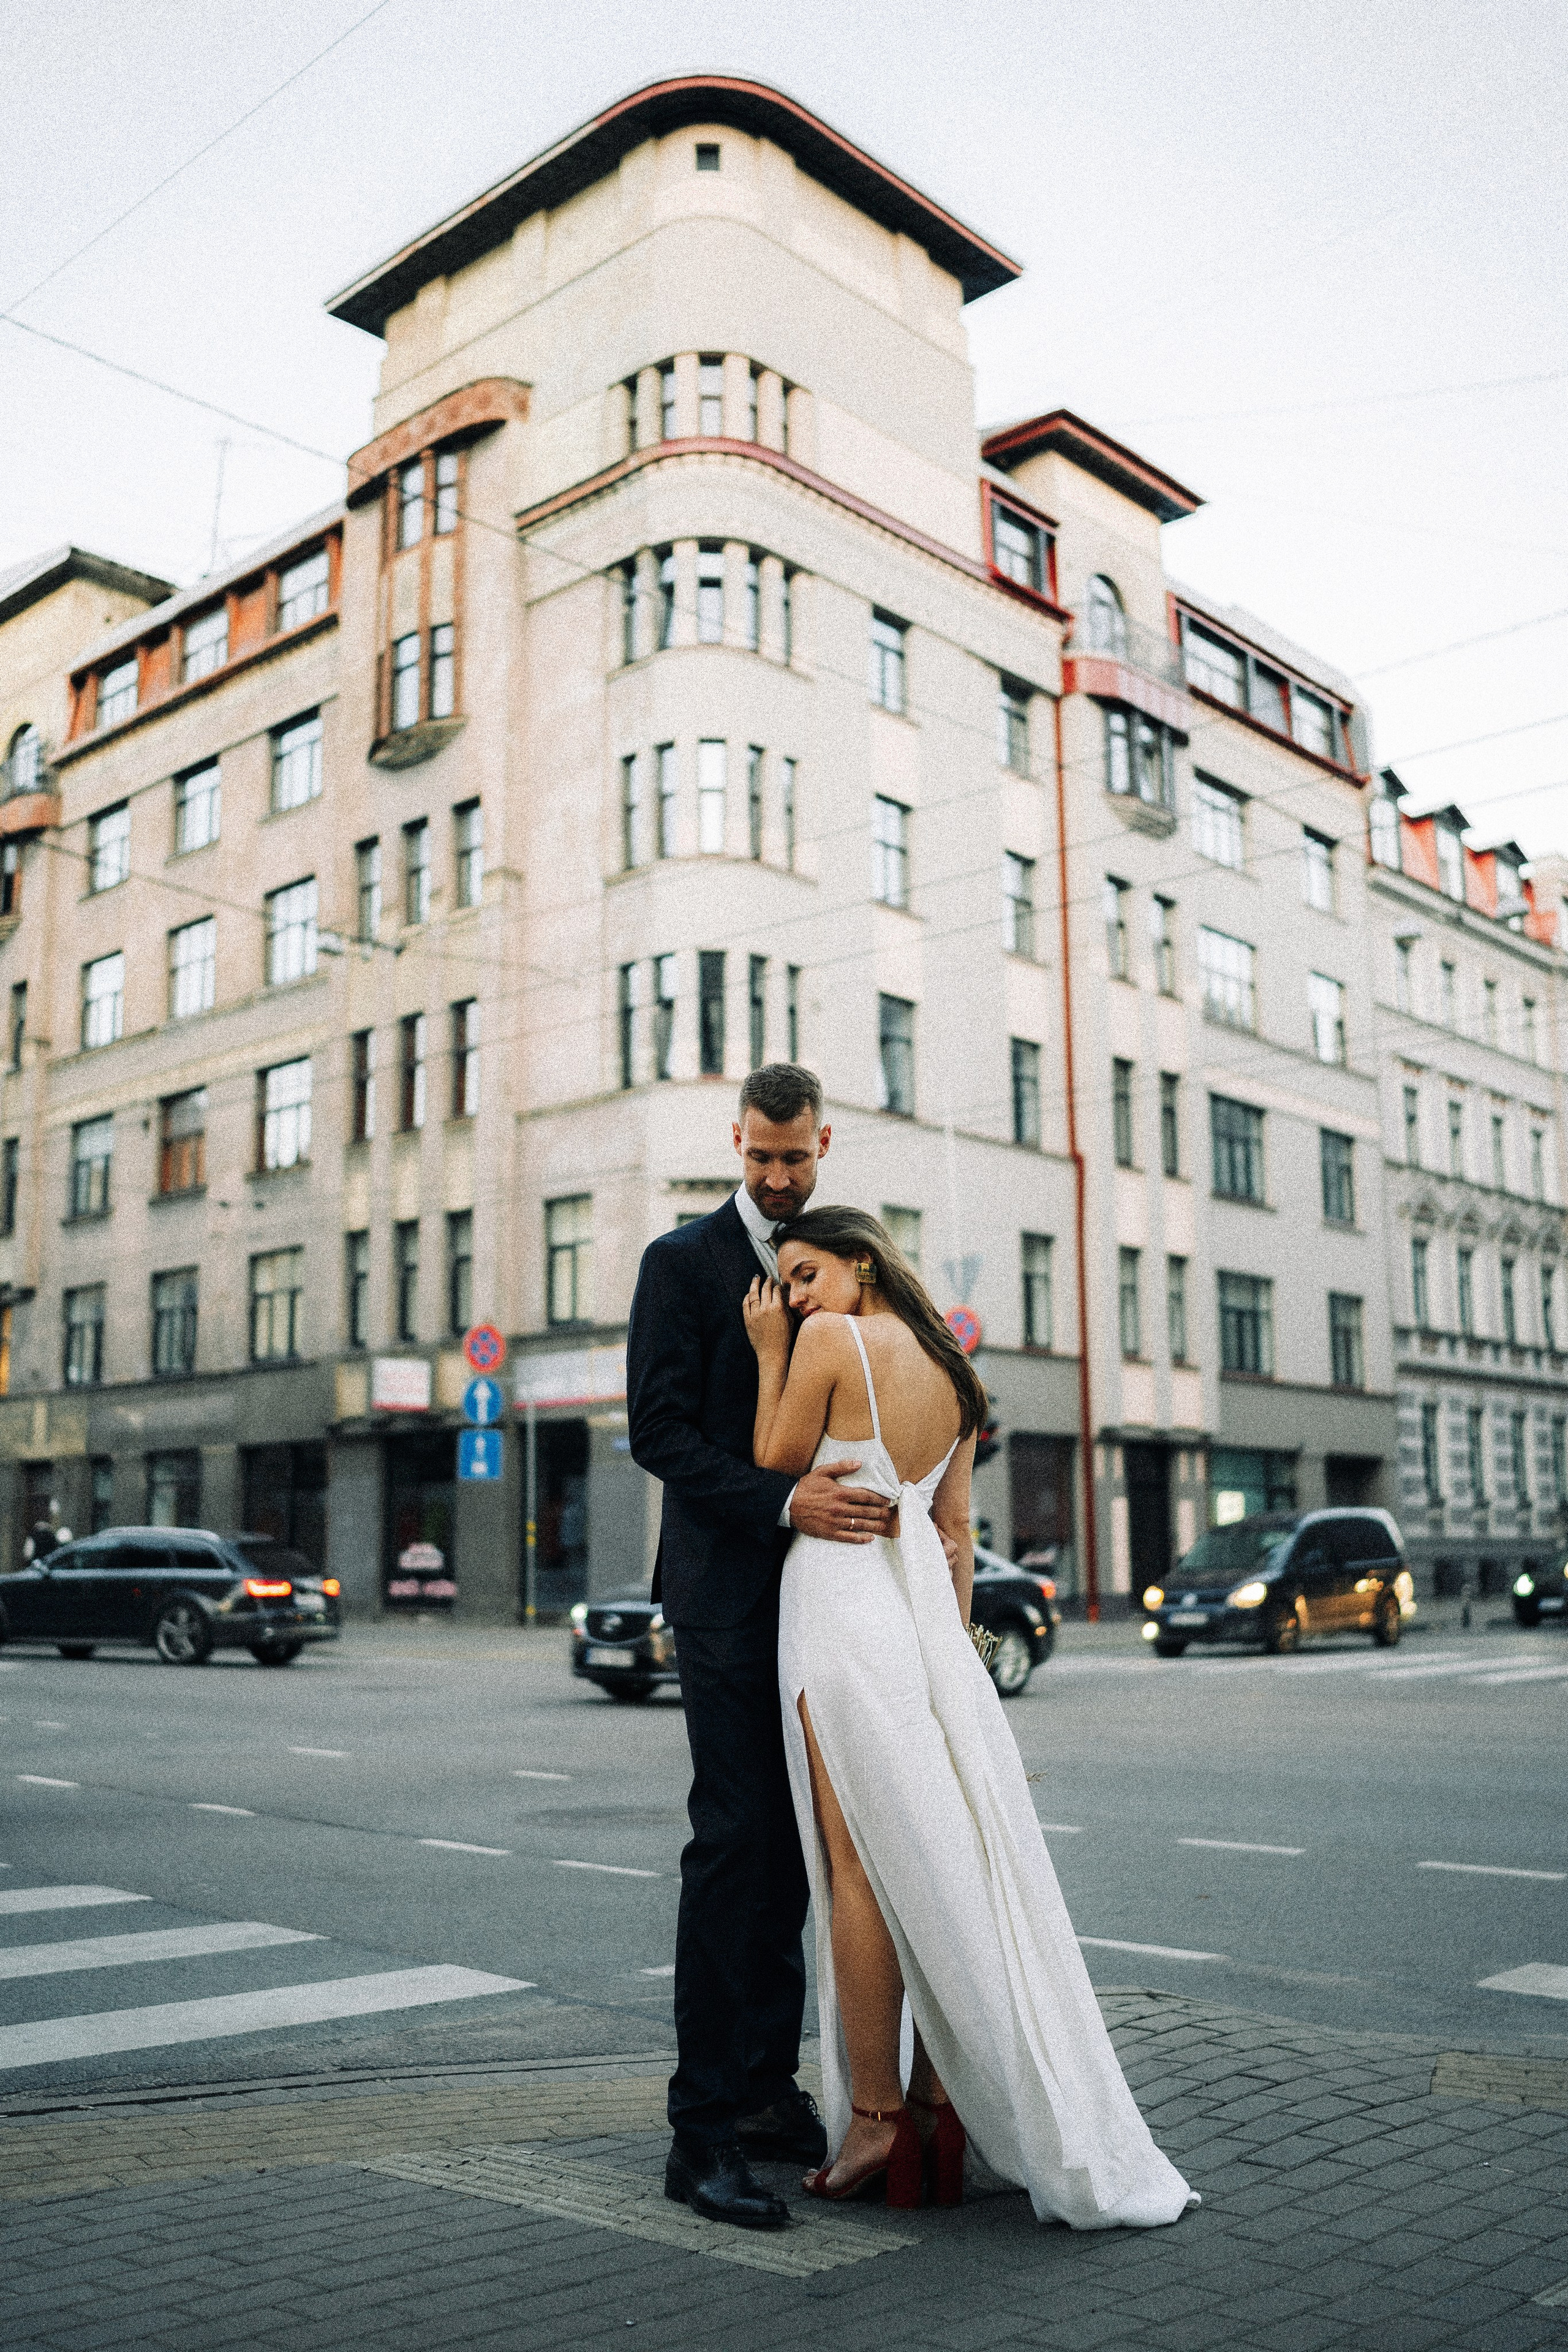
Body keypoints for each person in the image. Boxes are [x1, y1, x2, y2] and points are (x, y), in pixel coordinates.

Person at [743, 1205, 1197, 2228]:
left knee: (859, 1866)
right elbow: (952, 1531)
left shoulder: (827, 1339)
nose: (796, 1296)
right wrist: (953, 1665)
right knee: (943, 1855)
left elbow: (777, 1452)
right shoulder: (957, 1378)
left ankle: (876, 2120)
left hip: (839, 1608)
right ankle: (938, 2109)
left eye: (807, 1273)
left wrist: (770, 1349)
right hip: (923, 1631)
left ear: (863, 1264)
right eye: (788, 1283)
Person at [626, 1064, 898, 2232]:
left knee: (796, 1853)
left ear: (823, 1143)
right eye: (761, 1158)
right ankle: (699, 2138)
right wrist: (783, 1504)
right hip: (727, 1597)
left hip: (821, 1599)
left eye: (796, 1158)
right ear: (734, 1141)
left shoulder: (838, 1261)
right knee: (736, 1844)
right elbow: (658, 1433)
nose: (779, 1178)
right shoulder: (680, 1264)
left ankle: (765, 2092)